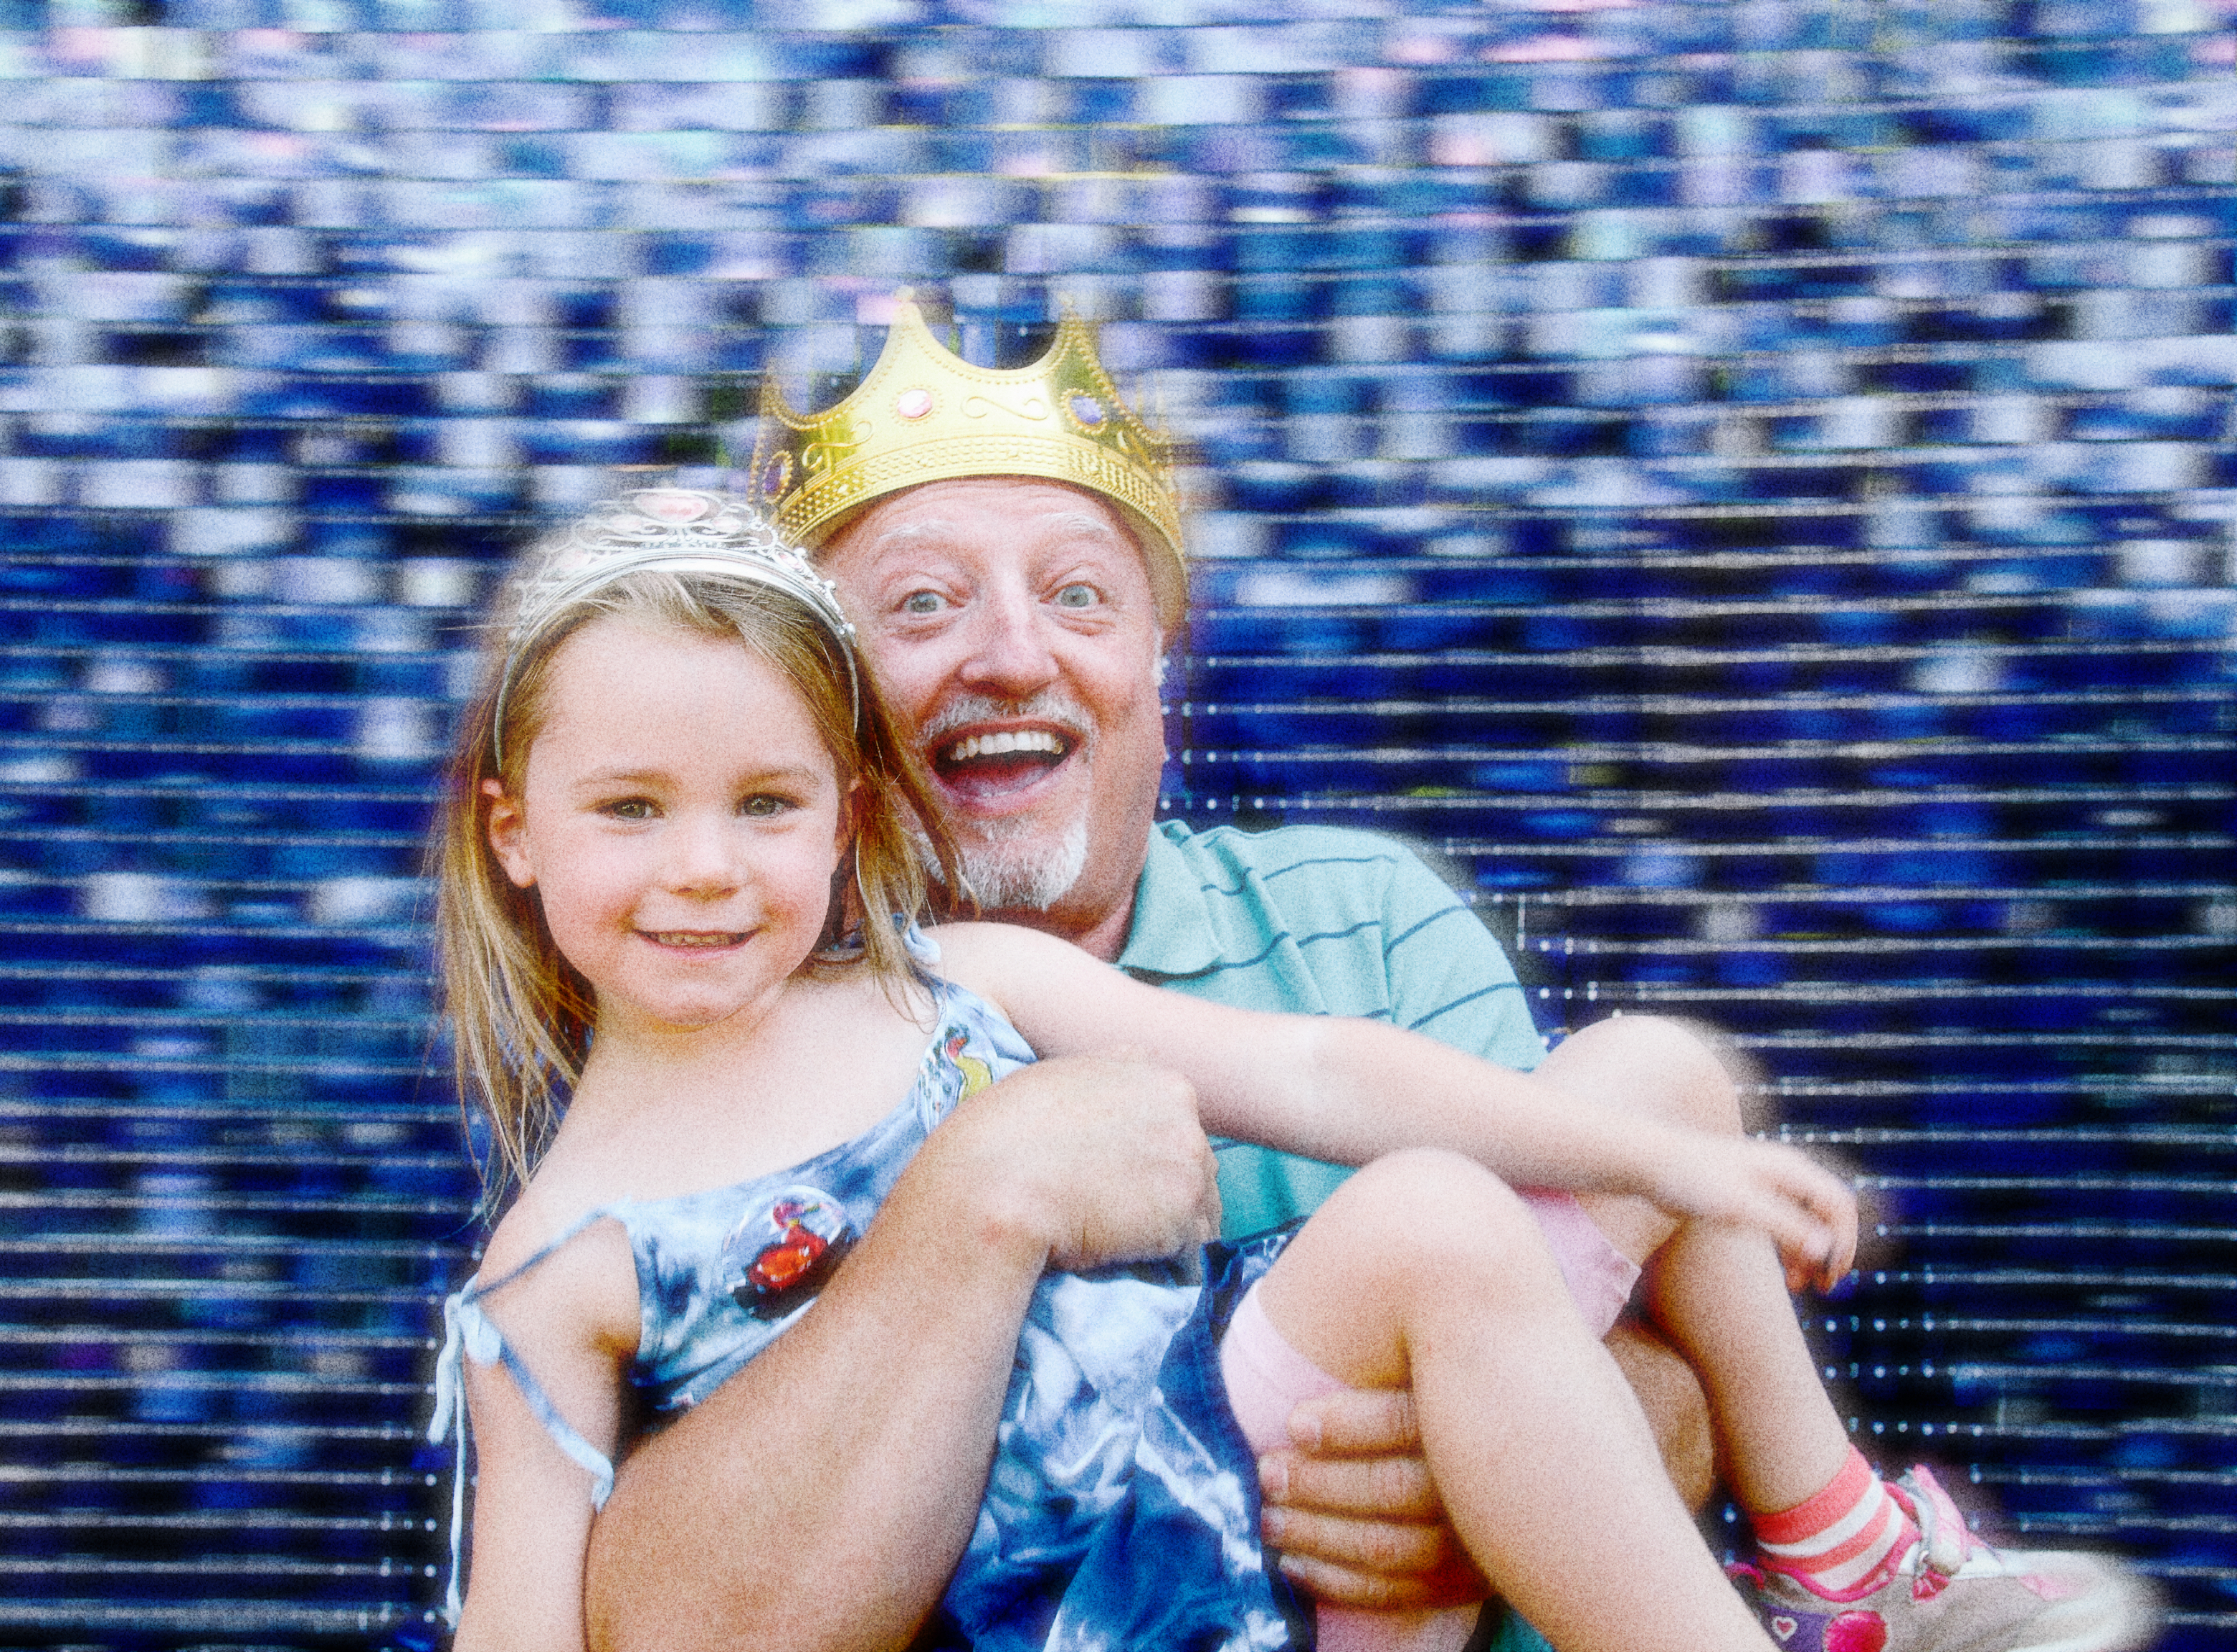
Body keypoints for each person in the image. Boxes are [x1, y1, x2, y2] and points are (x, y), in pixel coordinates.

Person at [429, 489, 2153, 1652]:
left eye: (766, 805)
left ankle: (1844, 1560)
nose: (709, 871)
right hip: (1051, 1600)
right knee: (1423, 1227)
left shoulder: (949, 984)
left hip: (1211, 1457)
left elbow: (1318, 1069)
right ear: (515, 834)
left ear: (848, 809)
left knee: (1649, 1087)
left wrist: (1696, 1177)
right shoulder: (555, 1264)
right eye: (633, 810)